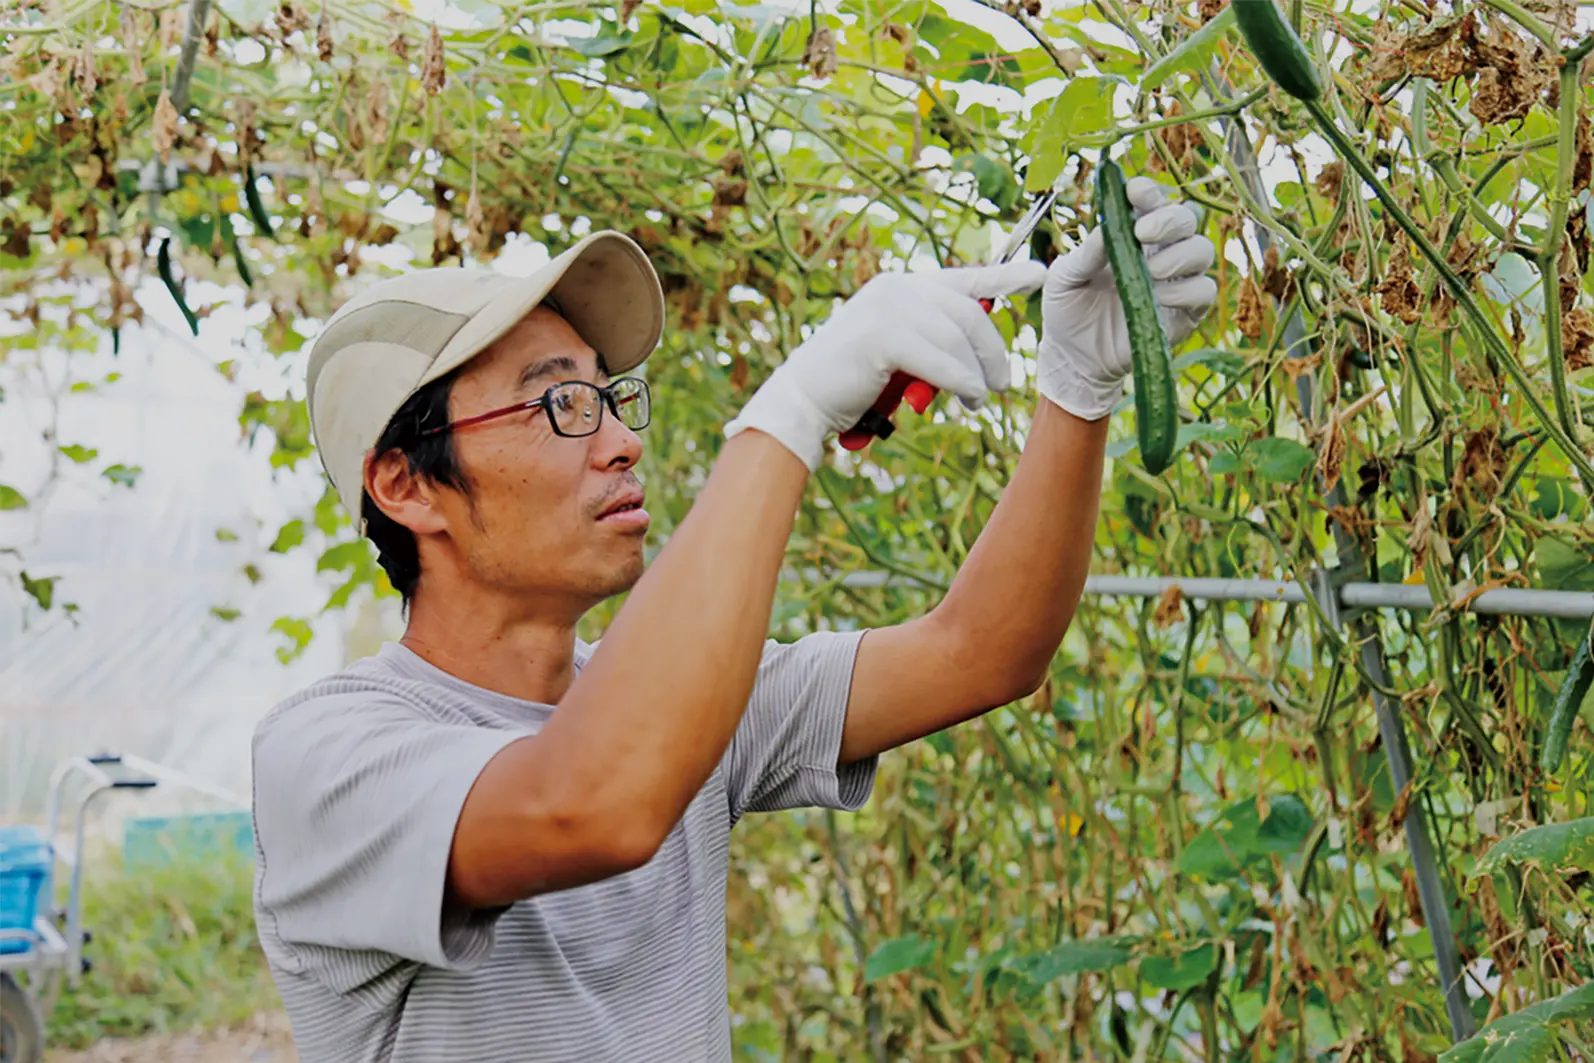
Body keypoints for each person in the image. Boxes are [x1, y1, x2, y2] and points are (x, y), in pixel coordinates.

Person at [250, 176, 1216, 1062]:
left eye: (613, 396)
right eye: (560, 403)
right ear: (406, 484)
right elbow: (595, 797)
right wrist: (787, 412)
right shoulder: (329, 756)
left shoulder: (694, 705)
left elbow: (981, 651)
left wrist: (1075, 388)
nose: (625, 442)